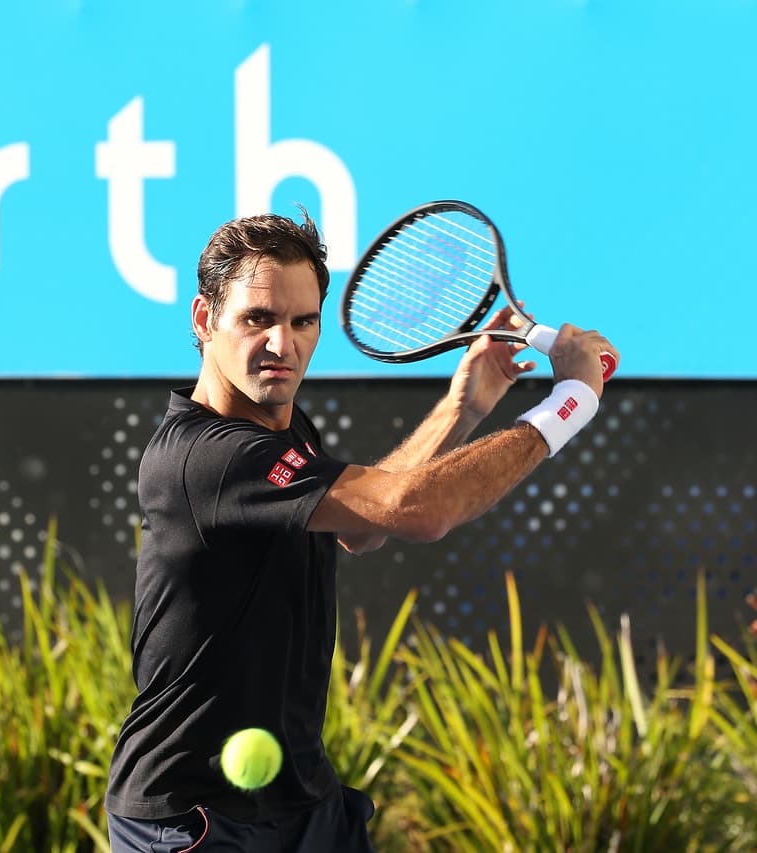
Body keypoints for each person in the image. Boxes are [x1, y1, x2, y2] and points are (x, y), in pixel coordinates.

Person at [104, 208, 618, 852]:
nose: (281, 345)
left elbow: (365, 529)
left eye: (302, 321)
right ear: (205, 320)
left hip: (301, 803)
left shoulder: (282, 428)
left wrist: (464, 406)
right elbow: (417, 510)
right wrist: (571, 402)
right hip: (194, 820)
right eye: (257, 319)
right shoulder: (208, 457)